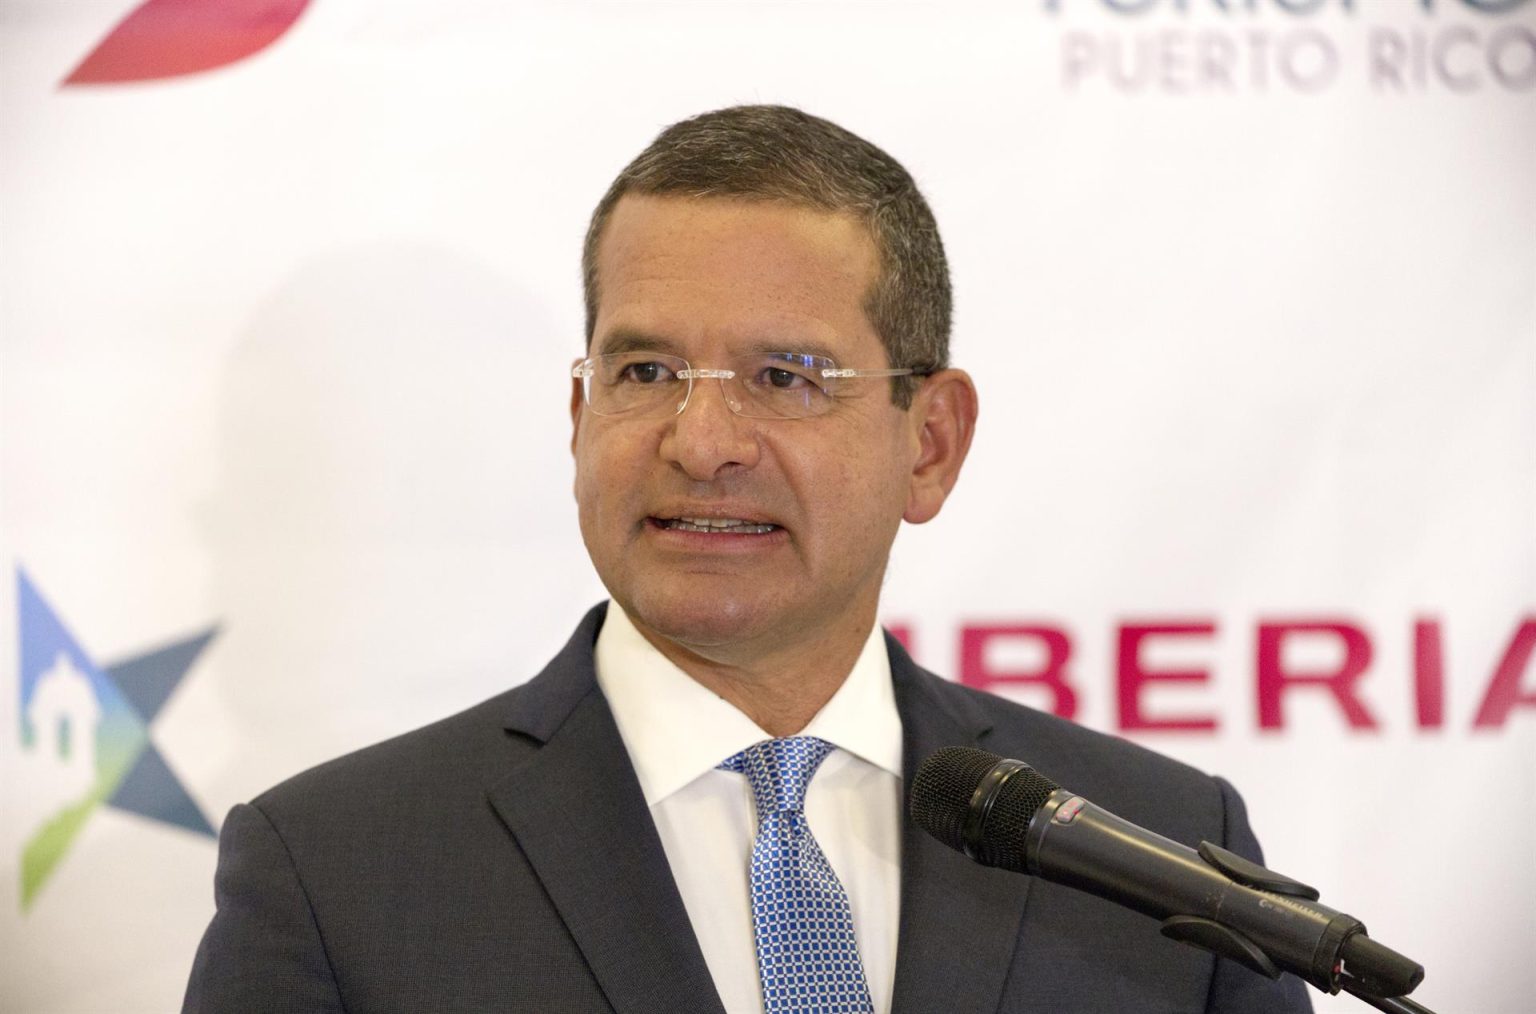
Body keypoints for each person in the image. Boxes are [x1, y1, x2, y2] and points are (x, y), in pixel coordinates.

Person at [184, 105, 1312, 1013]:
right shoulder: (333, 876)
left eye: (785, 377)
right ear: (578, 418)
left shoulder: (1163, 855)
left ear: (930, 443)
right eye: (645, 374)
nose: (702, 442)